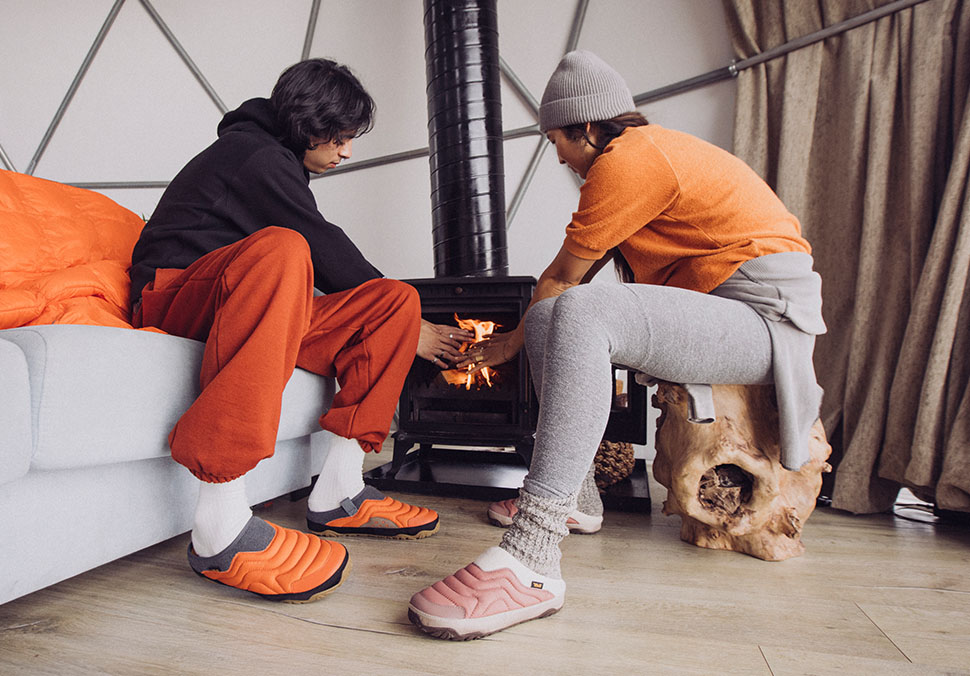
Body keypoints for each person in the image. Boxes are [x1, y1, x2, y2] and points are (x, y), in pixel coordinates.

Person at [407, 50, 825, 639]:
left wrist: (498, 349)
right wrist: (517, 339)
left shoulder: (631, 160)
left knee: (570, 309)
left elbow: (561, 281)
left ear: (587, 128)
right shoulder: (643, 160)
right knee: (555, 319)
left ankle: (533, 553)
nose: (557, 155)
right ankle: (578, 499)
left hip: (763, 322)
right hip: (723, 311)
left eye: (557, 140)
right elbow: (556, 296)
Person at [129, 58, 472, 603]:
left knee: (394, 302)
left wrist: (408, 322)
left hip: (237, 297)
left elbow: (329, 258)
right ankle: (218, 524)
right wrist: (422, 333)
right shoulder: (254, 154)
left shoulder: (276, 159)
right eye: (339, 137)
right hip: (172, 297)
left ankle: (339, 491)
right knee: (286, 247)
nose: (347, 151)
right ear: (307, 120)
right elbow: (320, 242)